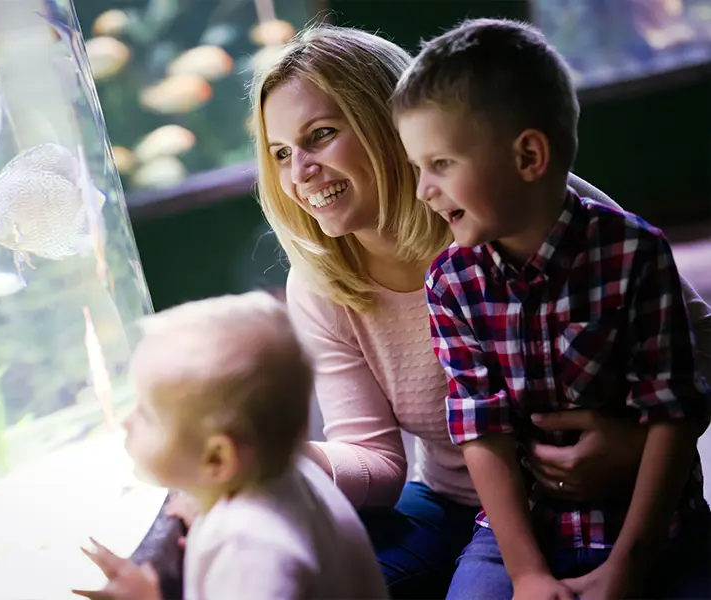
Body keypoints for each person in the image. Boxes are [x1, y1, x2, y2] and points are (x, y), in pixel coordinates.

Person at [249, 23, 711, 598]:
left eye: (320, 134)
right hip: (457, 499)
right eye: (281, 153)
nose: (300, 172)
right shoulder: (319, 283)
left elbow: (695, 344)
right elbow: (377, 460)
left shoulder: (527, 200)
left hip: (604, 493)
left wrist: (635, 443)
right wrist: (293, 457)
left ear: (392, 123)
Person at [393, 17, 711, 600]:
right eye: (418, 169)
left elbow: (674, 415)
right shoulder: (451, 282)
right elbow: (481, 435)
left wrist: (628, 568)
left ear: (529, 155)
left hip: (657, 526)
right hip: (520, 535)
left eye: (440, 165)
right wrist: (528, 575)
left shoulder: (634, 254)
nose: (423, 191)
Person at [73, 292, 388, 600]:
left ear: (217, 460)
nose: (126, 422)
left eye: (147, 416)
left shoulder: (250, 550)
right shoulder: (289, 474)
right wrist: (207, 506)